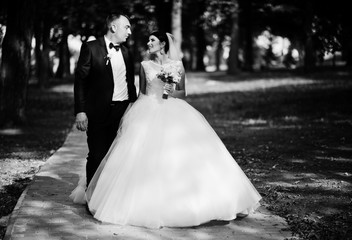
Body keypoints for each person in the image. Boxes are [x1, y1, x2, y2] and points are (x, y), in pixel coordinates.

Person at [70, 31, 262, 228]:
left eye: (152, 40)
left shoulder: (177, 65)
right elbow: (141, 93)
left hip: (173, 110)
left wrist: (173, 91)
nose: (148, 42)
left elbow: (182, 92)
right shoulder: (144, 66)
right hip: (147, 109)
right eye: (149, 40)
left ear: (163, 44)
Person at [73, 12, 137, 188]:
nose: (129, 32)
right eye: (126, 27)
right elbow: (81, 82)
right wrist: (80, 111)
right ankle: (91, 195)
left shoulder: (126, 52)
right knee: (96, 155)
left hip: (122, 111)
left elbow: (129, 82)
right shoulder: (91, 48)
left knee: (119, 155)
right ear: (113, 27)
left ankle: (110, 195)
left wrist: (134, 106)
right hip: (98, 111)